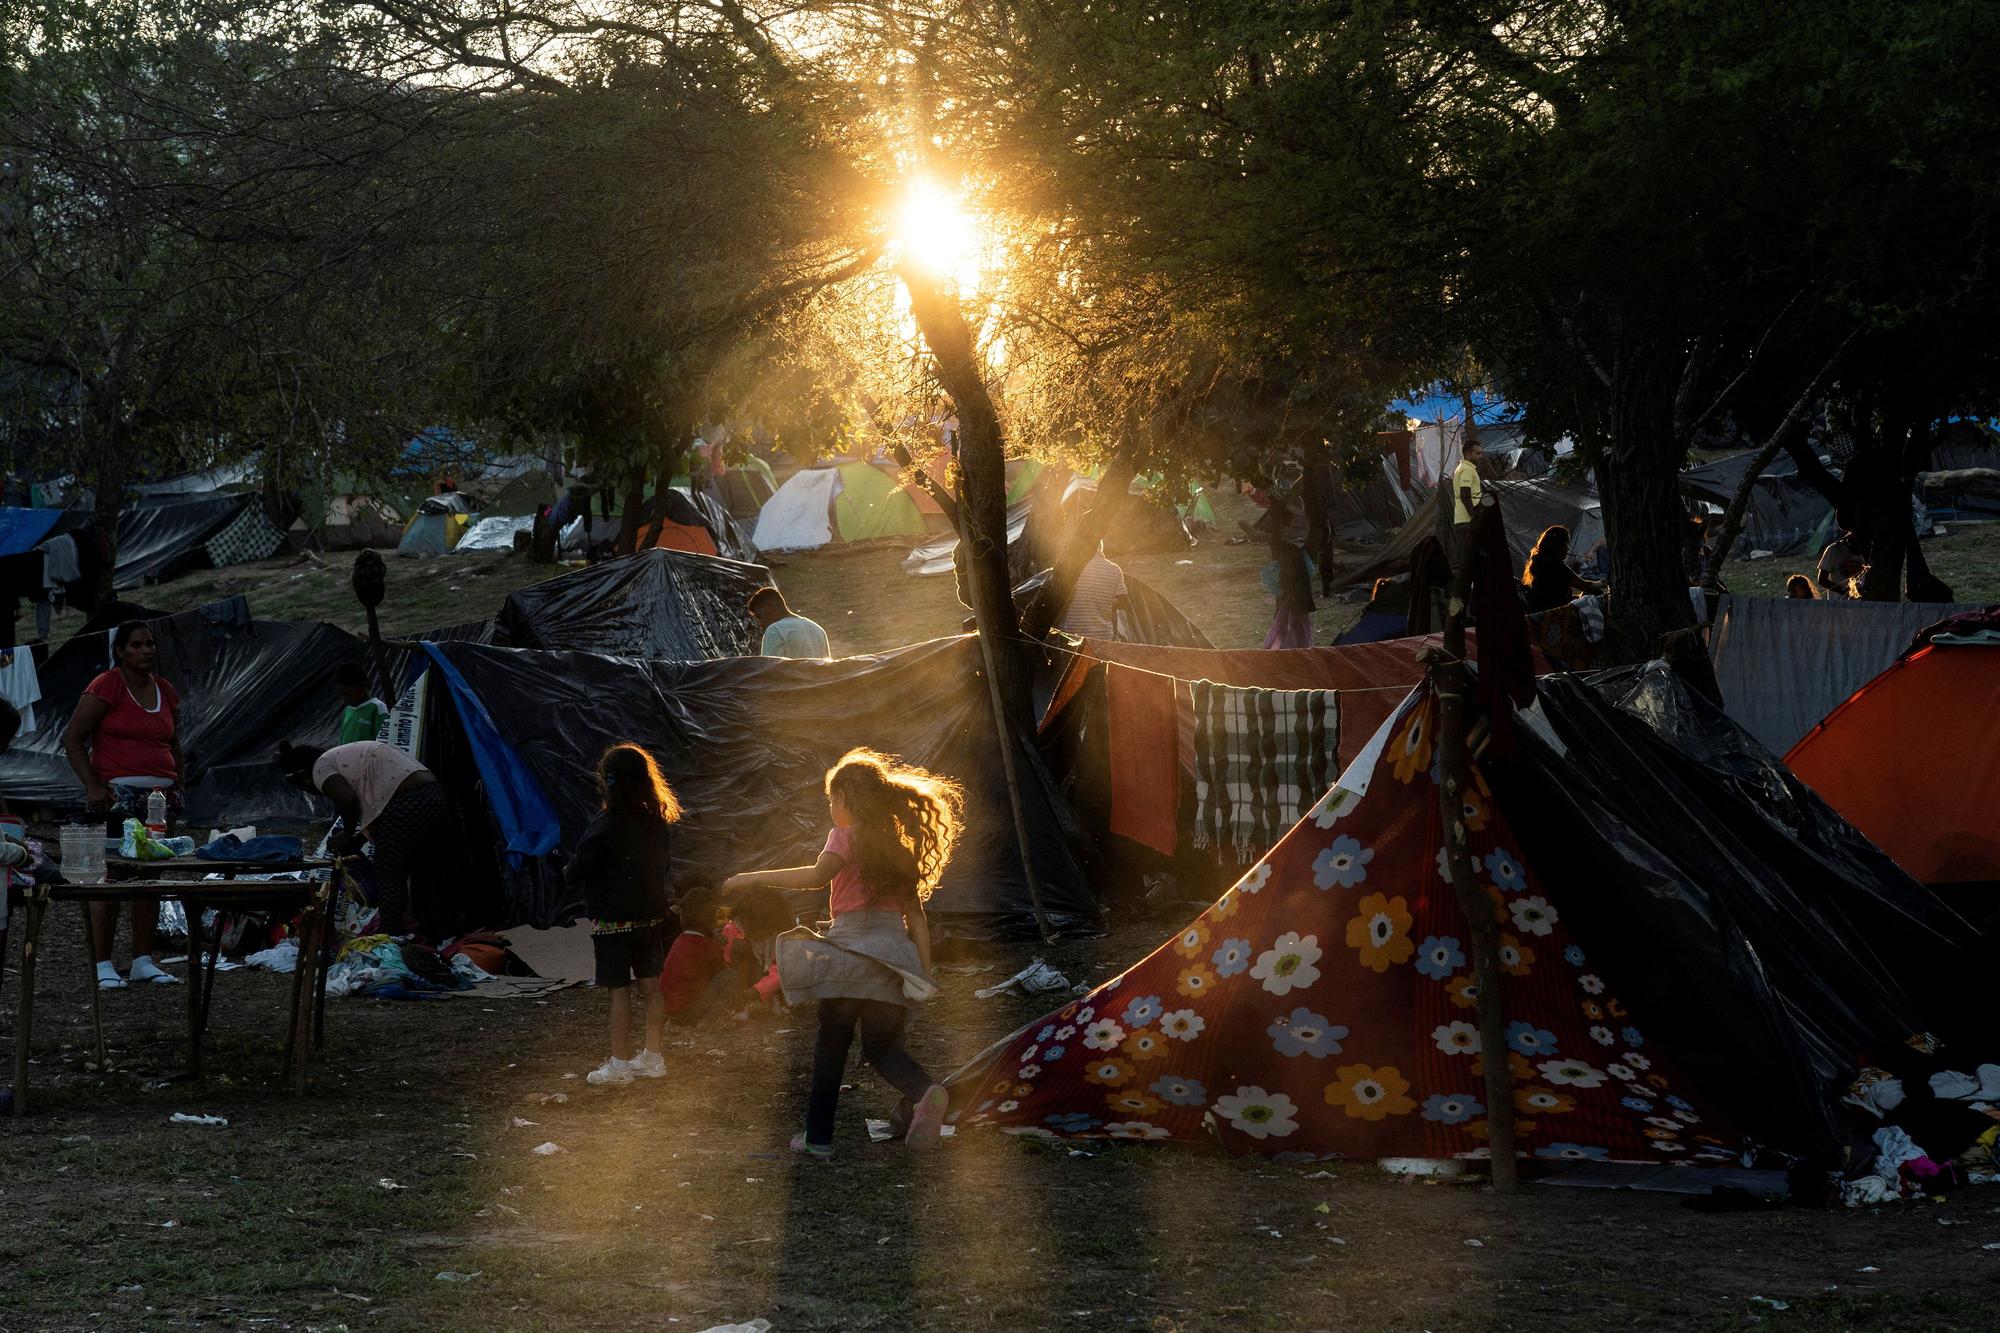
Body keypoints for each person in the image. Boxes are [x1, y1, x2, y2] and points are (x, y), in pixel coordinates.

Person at [722, 748, 961, 1158]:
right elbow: (917, 920)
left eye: (832, 799)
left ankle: (817, 1139)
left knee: (831, 1046)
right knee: (883, 1048)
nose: (831, 807)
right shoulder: (899, 849)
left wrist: (750, 877)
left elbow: (816, 878)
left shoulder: (844, 837)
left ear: (847, 797)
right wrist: (922, 971)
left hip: (850, 956)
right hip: (892, 957)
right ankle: (926, 1093)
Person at [62, 621, 182, 988]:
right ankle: (102, 964)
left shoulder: (165, 691)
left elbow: (173, 741)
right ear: (120, 651)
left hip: (159, 799)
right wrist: (93, 786)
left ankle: (143, 959)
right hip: (118, 794)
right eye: (136, 645)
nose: (146, 650)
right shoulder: (107, 686)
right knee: (110, 876)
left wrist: (180, 781)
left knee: (148, 876)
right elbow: (73, 738)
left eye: (150, 644)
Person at [570, 743, 679, 1085]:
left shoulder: (605, 824)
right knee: (651, 986)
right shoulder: (657, 821)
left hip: (611, 922)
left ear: (607, 781)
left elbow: (578, 868)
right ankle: (653, 1058)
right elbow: (664, 867)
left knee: (619, 992)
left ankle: (618, 1066)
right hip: (650, 918)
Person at [275, 738, 446, 937]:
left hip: (408, 801)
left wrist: (347, 835)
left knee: (388, 871)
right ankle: (432, 931)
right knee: (421, 869)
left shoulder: (320, 767)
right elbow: (382, 817)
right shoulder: (344, 757)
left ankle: (389, 934)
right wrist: (357, 839)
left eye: (305, 788)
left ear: (304, 777)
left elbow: (347, 800)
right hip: (433, 796)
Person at [1519, 525, 1606, 615]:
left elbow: (1556, 597)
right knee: (1596, 593)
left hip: (1537, 611)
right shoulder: (1556, 566)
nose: (1568, 549)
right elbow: (1586, 586)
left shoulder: (1540, 562)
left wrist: (1579, 597)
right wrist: (1603, 583)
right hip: (1552, 613)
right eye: (1566, 544)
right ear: (1559, 546)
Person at [747, 587, 831, 659]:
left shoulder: (775, 630)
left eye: (759, 615)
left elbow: (769, 672)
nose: (760, 623)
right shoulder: (818, 629)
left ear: (770, 606)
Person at [333, 661, 390, 744]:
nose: (345, 699)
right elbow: (341, 742)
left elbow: (384, 744)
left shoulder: (378, 709)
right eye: (342, 695)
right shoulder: (347, 711)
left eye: (348, 694)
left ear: (364, 685)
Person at [1816, 527, 1868, 599]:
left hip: (1860, 604)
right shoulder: (1834, 550)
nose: (1858, 551)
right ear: (1850, 538)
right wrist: (1847, 592)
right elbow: (1822, 580)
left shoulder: (1867, 551)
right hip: (1838, 604)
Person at [1451, 436, 1486, 527]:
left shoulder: (1463, 468)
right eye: (1477, 453)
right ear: (1468, 454)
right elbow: (1465, 494)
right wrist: (1474, 516)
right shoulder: (1467, 469)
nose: (1480, 456)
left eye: (1481, 453)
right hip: (1467, 521)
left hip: (1462, 519)